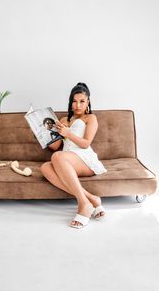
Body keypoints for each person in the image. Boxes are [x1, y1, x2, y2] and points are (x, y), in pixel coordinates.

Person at [40, 82, 107, 229]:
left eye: (82, 101)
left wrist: (68, 133)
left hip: (84, 159)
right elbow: (55, 146)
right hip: (67, 159)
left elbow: (85, 143)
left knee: (58, 157)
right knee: (45, 167)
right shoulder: (64, 120)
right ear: (70, 103)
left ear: (88, 102)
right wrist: (41, 134)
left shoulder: (91, 118)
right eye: (74, 101)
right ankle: (91, 198)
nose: (78, 105)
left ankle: (83, 204)